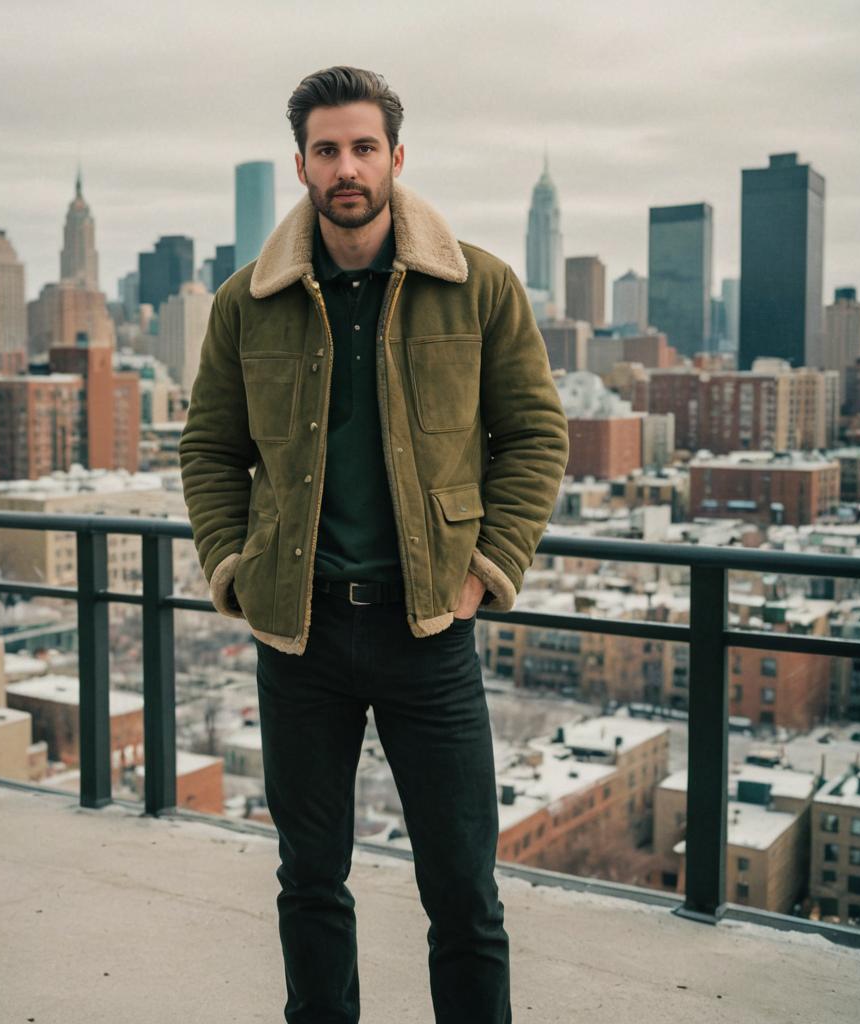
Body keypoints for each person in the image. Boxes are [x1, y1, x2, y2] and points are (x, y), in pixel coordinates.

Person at [180, 65, 569, 1024]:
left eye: (363, 148)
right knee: (310, 884)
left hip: (429, 633)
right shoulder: (247, 301)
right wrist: (232, 567)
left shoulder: (478, 286)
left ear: (396, 157)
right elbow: (209, 448)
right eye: (326, 150)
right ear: (302, 165)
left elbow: (535, 435)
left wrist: (488, 569)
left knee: (463, 896)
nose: (345, 168)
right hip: (299, 638)